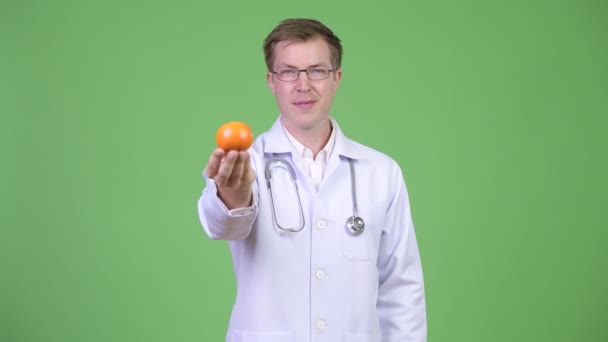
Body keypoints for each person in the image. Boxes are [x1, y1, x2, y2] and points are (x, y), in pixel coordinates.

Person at [197, 18, 427, 342]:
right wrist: (233, 194)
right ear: (271, 81)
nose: (303, 85)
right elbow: (222, 225)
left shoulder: (381, 172)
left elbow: (401, 288)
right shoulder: (245, 162)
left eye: (317, 70)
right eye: (288, 72)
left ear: (336, 78)